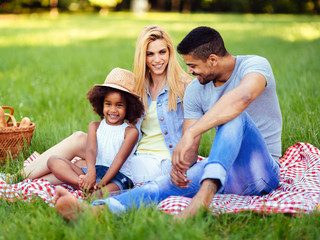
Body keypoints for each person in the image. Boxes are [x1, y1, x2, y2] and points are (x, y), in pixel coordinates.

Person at [53, 26, 282, 221]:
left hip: (261, 170)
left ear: (212, 60)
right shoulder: (196, 89)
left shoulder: (254, 65)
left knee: (236, 115)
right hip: (223, 172)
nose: (189, 72)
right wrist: (180, 167)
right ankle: (97, 212)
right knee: (162, 185)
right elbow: (189, 151)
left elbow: (241, 99)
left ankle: (204, 197)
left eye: (193, 66)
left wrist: (193, 133)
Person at [0, 25, 191, 187]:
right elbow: (119, 123)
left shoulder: (184, 87)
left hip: (159, 163)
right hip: (133, 155)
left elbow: (216, 90)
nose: (156, 59)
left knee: (82, 156)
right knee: (81, 155)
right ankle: (16, 183)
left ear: (170, 53)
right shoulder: (139, 87)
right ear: (142, 57)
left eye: (162, 52)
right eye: (150, 54)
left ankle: (12, 180)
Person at [48, 68, 143, 198]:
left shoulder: (130, 132)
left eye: (119, 105)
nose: (113, 110)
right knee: (53, 161)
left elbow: (118, 160)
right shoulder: (94, 126)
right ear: (101, 103)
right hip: (95, 170)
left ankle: (90, 190)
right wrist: (90, 174)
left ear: (129, 107)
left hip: (118, 177)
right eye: (108, 104)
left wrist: (102, 183)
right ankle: (84, 185)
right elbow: (91, 151)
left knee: (98, 196)